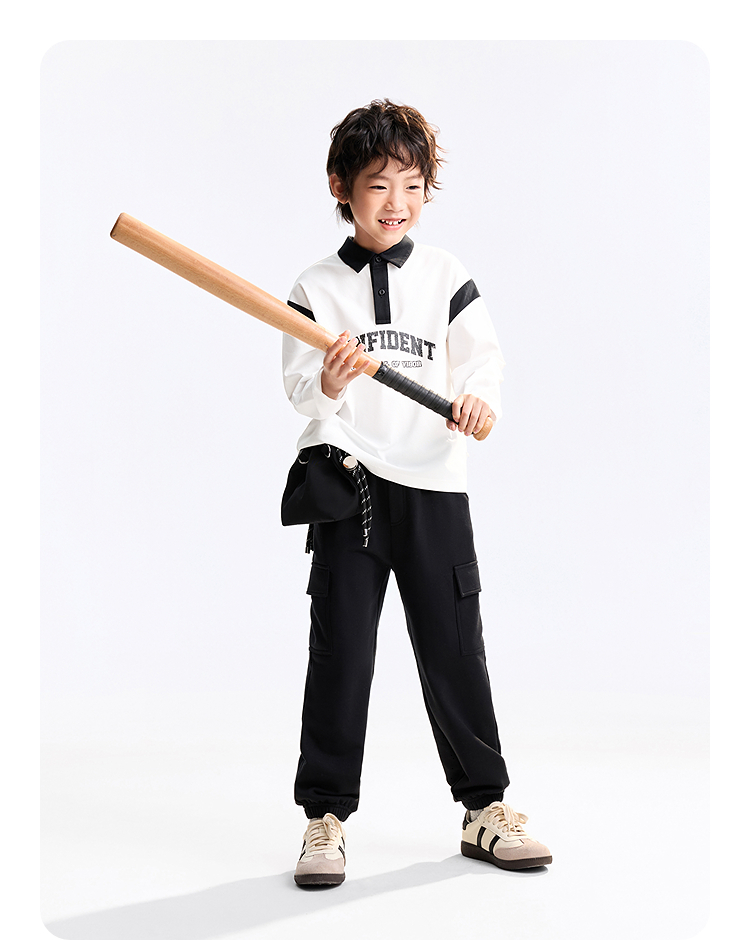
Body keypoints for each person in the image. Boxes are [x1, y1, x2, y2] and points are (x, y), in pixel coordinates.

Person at [282, 99, 552, 887]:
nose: (395, 201)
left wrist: (479, 402)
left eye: (411, 184)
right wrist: (332, 381)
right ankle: (325, 819)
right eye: (377, 184)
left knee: (454, 647)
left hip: (435, 485)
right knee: (341, 654)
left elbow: (483, 363)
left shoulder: (446, 276)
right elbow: (300, 391)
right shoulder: (314, 286)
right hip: (350, 486)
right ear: (341, 187)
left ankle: (484, 808)